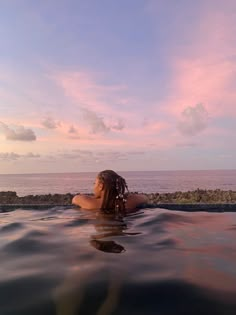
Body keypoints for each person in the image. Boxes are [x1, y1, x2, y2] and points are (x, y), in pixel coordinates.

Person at [72, 170, 147, 212]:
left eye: (95, 183)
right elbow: (144, 198)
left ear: (101, 186)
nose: (94, 186)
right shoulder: (128, 202)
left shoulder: (91, 203)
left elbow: (75, 199)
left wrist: (93, 197)